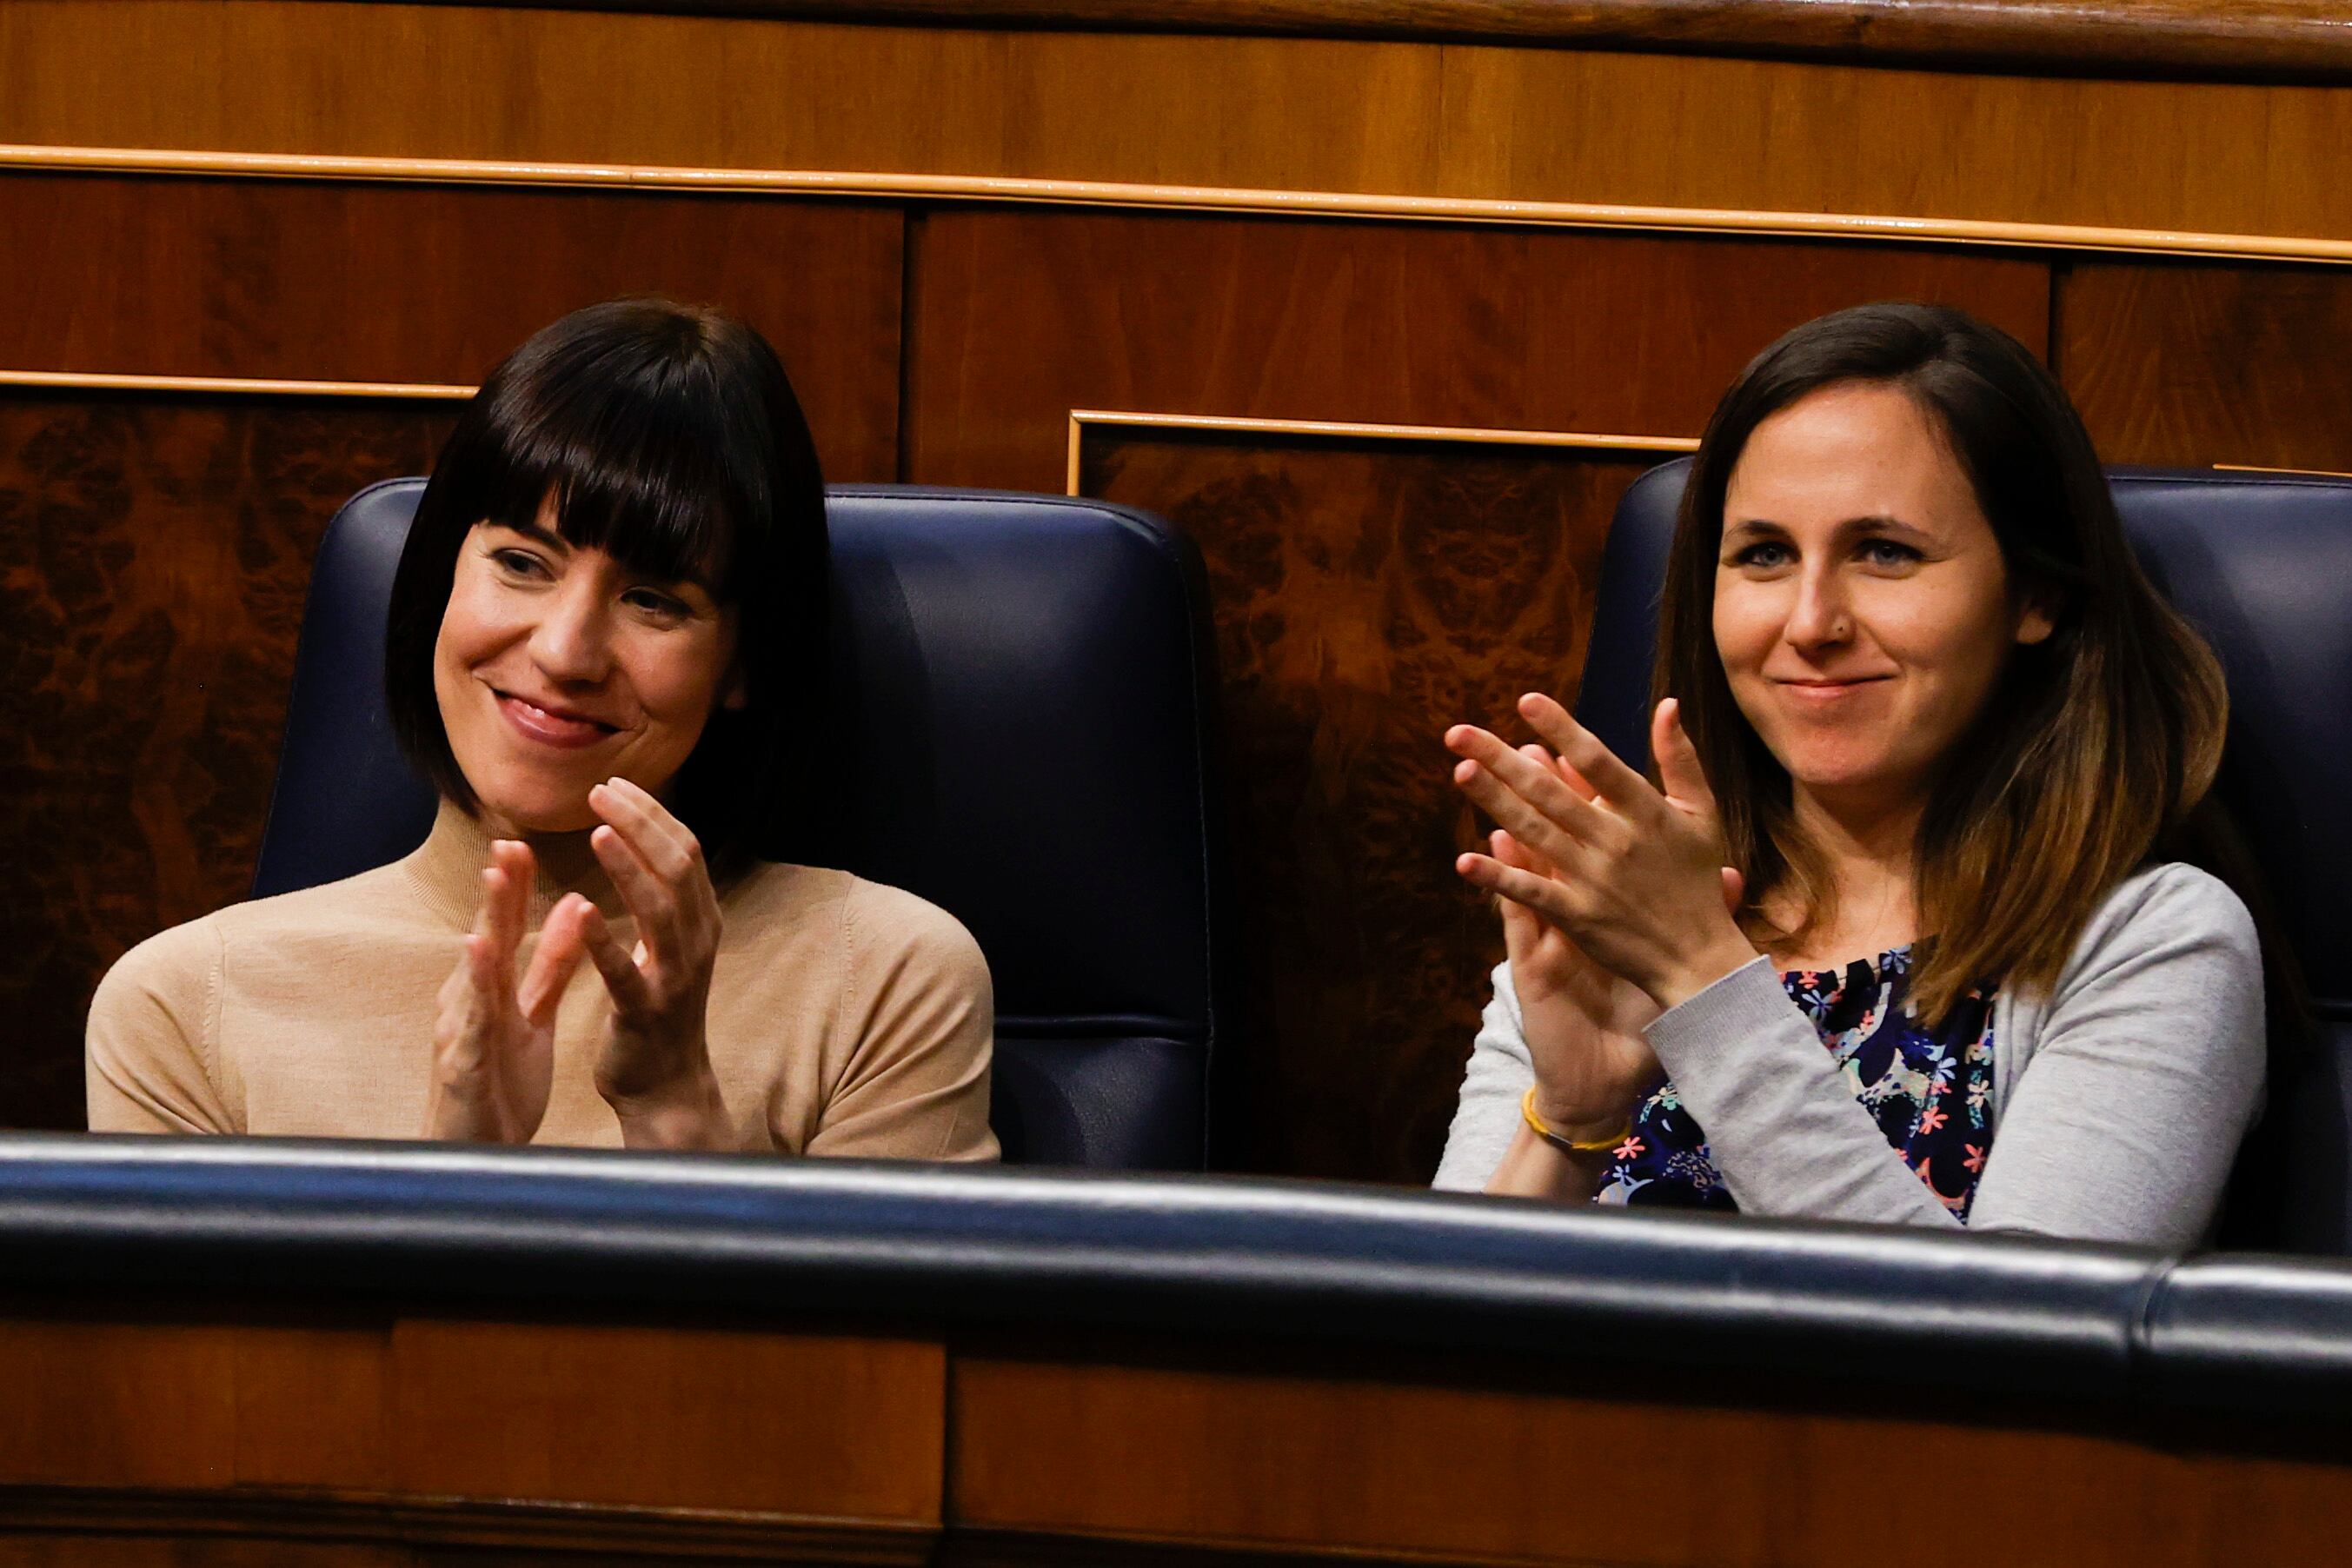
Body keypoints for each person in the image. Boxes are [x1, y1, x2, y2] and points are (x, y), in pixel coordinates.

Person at [1432, 302, 2268, 1245]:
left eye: (1884, 552)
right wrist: (1572, 1125)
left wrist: (1706, 984)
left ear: (2038, 593)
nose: (1810, 622)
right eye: (1764, 555)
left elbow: (2007, 1367)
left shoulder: (2152, 941)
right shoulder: (1623, 915)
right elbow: (1423, 1367)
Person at [88, 298, 997, 1160]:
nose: (565, 652)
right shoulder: (182, 1008)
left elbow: (877, 1335)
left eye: (653, 599)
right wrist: (458, 1177)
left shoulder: (884, 980)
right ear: (441, 575)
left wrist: (677, 1110)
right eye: (522, 562)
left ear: (742, 664)